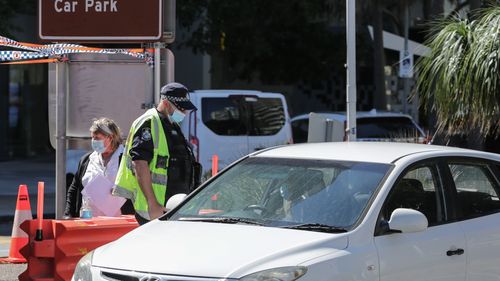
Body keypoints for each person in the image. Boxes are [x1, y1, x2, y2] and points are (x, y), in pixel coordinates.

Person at [114, 82, 201, 225]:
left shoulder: (171, 124)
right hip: (156, 209)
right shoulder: (149, 122)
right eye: (181, 108)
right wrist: (152, 203)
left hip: (173, 207)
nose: (184, 113)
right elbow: (140, 164)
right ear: (166, 103)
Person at [64, 118, 132, 218]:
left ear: (110, 137)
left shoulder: (126, 159)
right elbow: (74, 188)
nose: (94, 141)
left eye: (97, 138)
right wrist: (68, 214)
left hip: (118, 222)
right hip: (89, 220)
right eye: (92, 137)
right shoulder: (87, 160)